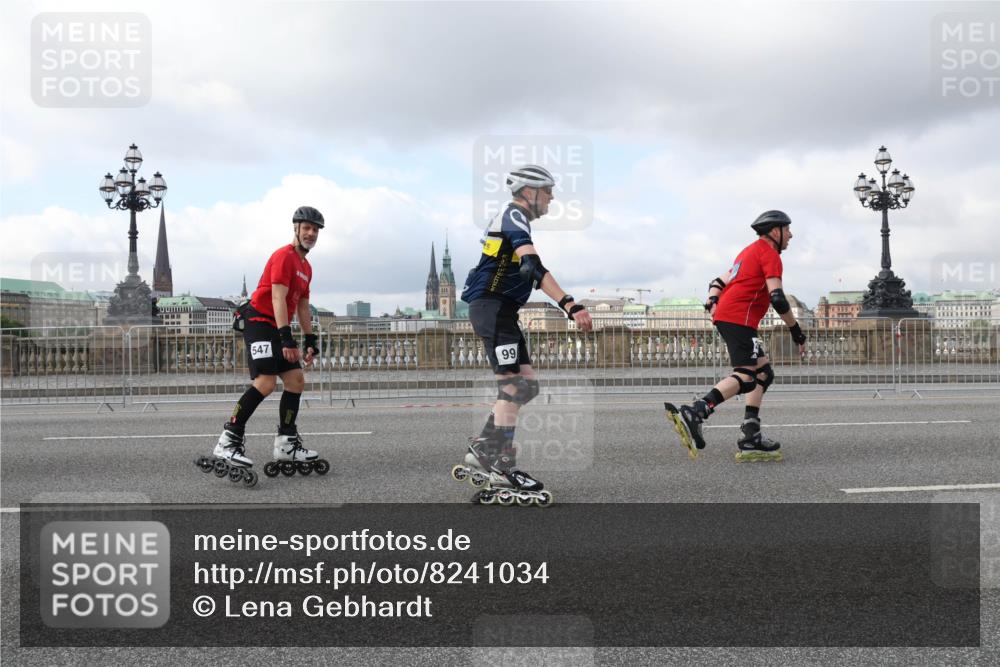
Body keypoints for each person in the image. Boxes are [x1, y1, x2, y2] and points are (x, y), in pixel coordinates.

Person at [453, 165, 593, 505]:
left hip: (503, 311)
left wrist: (567, 304)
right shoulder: (514, 213)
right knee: (513, 385)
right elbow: (532, 266)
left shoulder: (514, 217)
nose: (552, 198)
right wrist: (570, 305)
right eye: (547, 191)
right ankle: (502, 465)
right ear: (528, 191)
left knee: (527, 384)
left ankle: (484, 446)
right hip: (492, 308)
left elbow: (533, 268)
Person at [197, 206, 328, 485]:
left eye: (315, 230)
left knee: (295, 380)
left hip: (277, 325)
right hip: (259, 321)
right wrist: (286, 338)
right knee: (266, 383)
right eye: (306, 228)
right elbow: (279, 300)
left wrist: (311, 339)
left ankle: (286, 444)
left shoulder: (306, 268)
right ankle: (228, 440)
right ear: (295, 228)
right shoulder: (283, 256)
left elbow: (302, 306)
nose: (311, 233)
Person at [675, 210, 807, 462]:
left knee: (763, 373)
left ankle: (751, 436)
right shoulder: (769, 254)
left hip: (733, 316)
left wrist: (713, 300)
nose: (791, 234)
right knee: (746, 376)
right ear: (775, 231)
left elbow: (717, 281)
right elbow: (777, 298)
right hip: (738, 318)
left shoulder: (748, 252)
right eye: (787, 229)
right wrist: (796, 330)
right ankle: (697, 411)